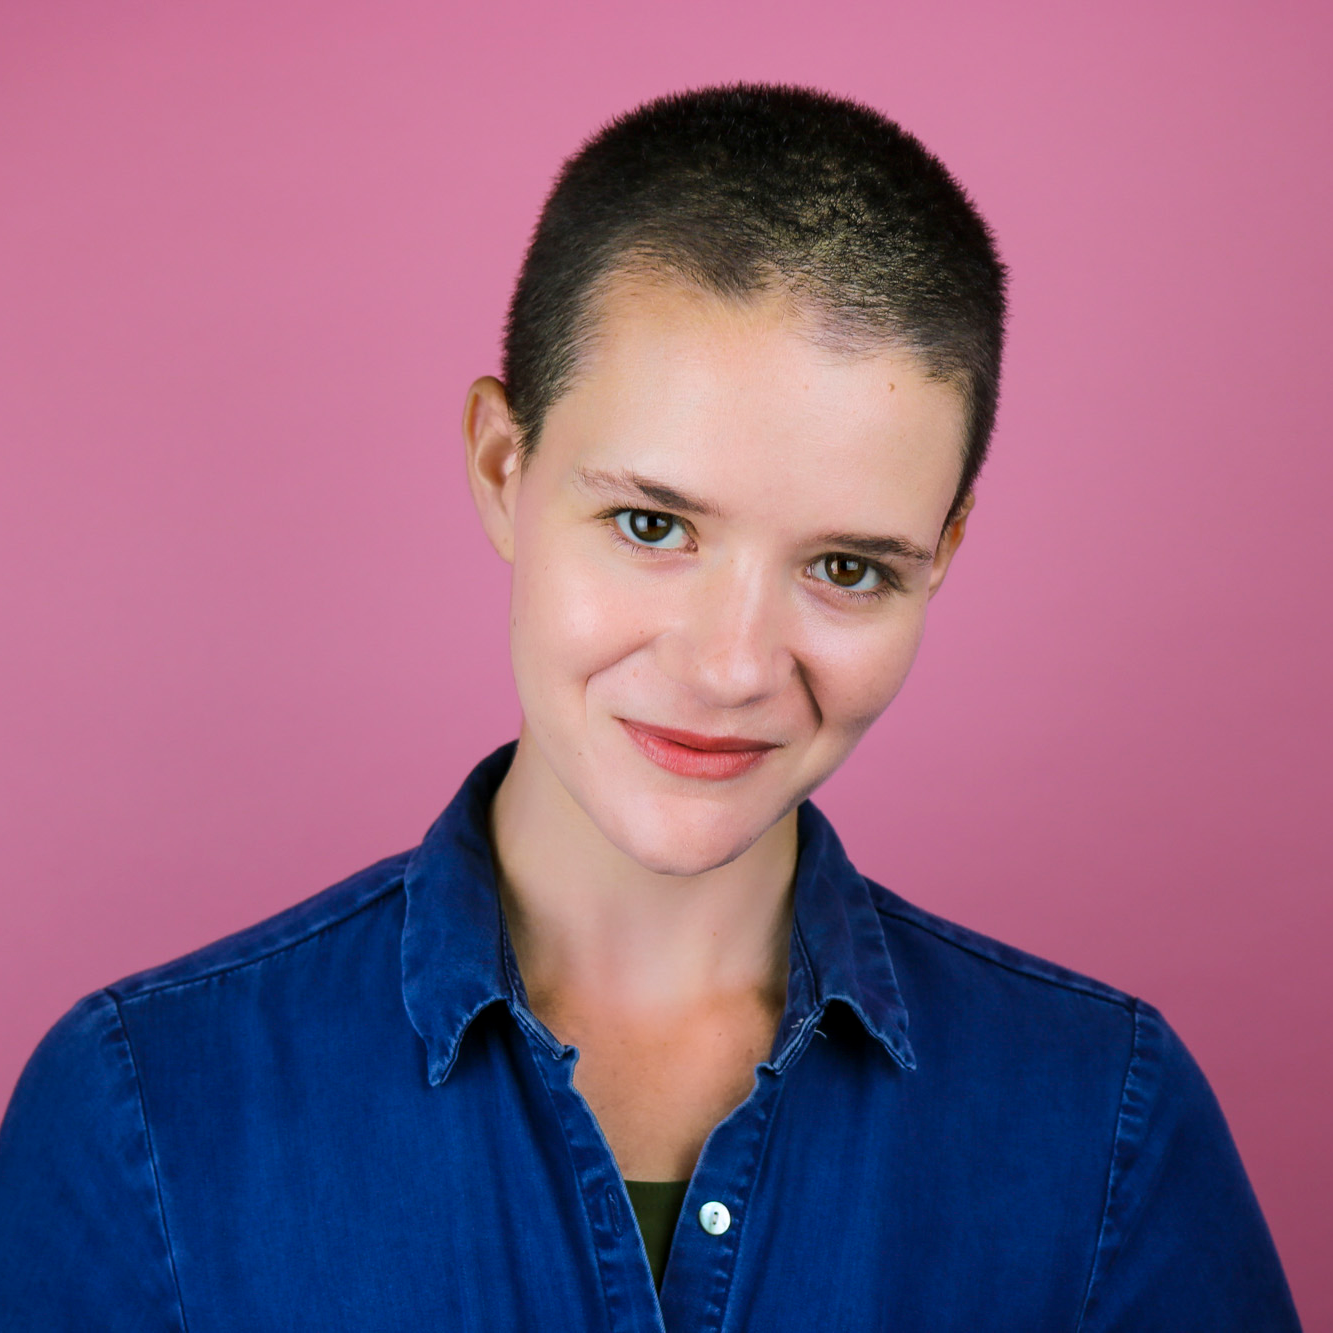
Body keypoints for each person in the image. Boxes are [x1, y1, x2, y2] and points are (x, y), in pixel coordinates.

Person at [0, 82, 1301, 1331]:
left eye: (848, 569)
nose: (731, 667)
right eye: (651, 525)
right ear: (504, 467)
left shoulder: (1110, 1128)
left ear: (942, 556)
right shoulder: (141, 1114)